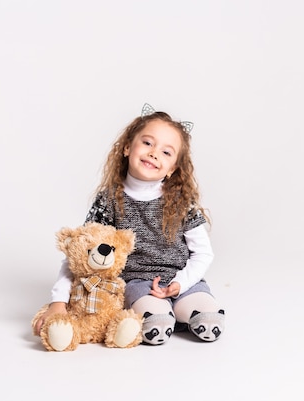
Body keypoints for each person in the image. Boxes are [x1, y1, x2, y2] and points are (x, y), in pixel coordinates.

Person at [32, 103, 225, 345]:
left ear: (172, 168)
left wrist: (180, 284)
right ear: (126, 148)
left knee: (209, 318)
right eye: (147, 143)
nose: (154, 153)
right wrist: (58, 302)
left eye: (166, 152)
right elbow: (80, 255)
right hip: (138, 284)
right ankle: (166, 317)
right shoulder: (109, 201)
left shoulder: (181, 202)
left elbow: (203, 253)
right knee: (157, 322)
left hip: (182, 280)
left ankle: (182, 311)